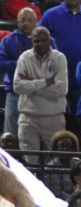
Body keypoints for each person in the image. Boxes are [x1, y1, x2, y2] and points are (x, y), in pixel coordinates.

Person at [13, 26, 68, 164]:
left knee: (55, 162)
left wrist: (32, 85)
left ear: (49, 40)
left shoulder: (59, 58)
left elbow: (61, 90)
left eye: (43, 40)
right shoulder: (24, 57)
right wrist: (45, 82)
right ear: (32, 41)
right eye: (36, 41)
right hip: (28, 118)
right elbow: (18, 87)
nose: (40, 43)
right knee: (29, 162)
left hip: (54, 117)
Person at [0, 7, 40, 135]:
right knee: (11, 136)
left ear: (36, 22)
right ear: (17, 22)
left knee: (37, 135)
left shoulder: (46, 40)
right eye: (22, 20)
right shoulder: (8, 40)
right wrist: (20, 64)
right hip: (15, 94)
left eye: (30, 20)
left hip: (40, 94)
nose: (26, 23)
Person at [39, 0, 81, 138]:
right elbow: (36, 43)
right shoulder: (50, 15)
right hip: (56, 82)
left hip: (79, 82)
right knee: (59, 129)